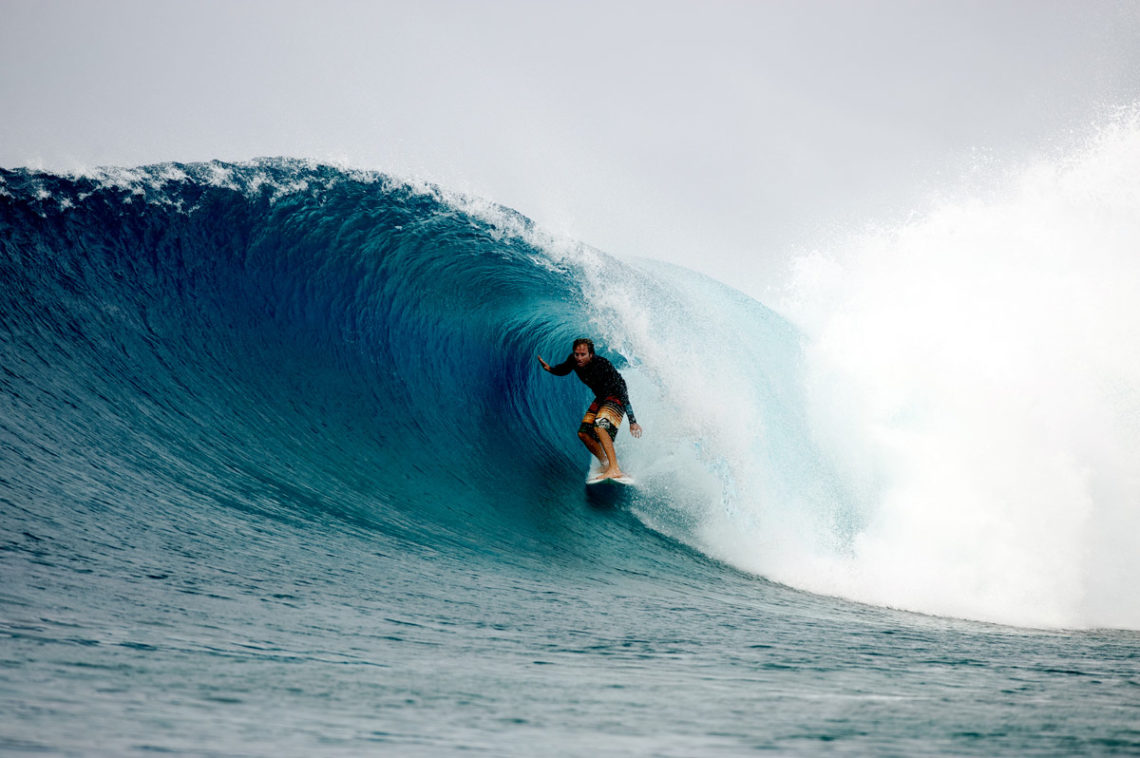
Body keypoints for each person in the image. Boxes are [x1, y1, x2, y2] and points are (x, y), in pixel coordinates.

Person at [538, 338, 643, 481]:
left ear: (591, 354)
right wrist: (550, 369)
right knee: (583, 434)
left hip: (616, 396)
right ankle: (605, 464)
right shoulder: (574, 361)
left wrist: (633, 421)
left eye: (583, 354)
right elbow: (564, 369)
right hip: (601, 397)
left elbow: (622, 392)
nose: (579, 358)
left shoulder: (602, 364)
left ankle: (615, 469)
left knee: (600, 426)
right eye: (576, 354)